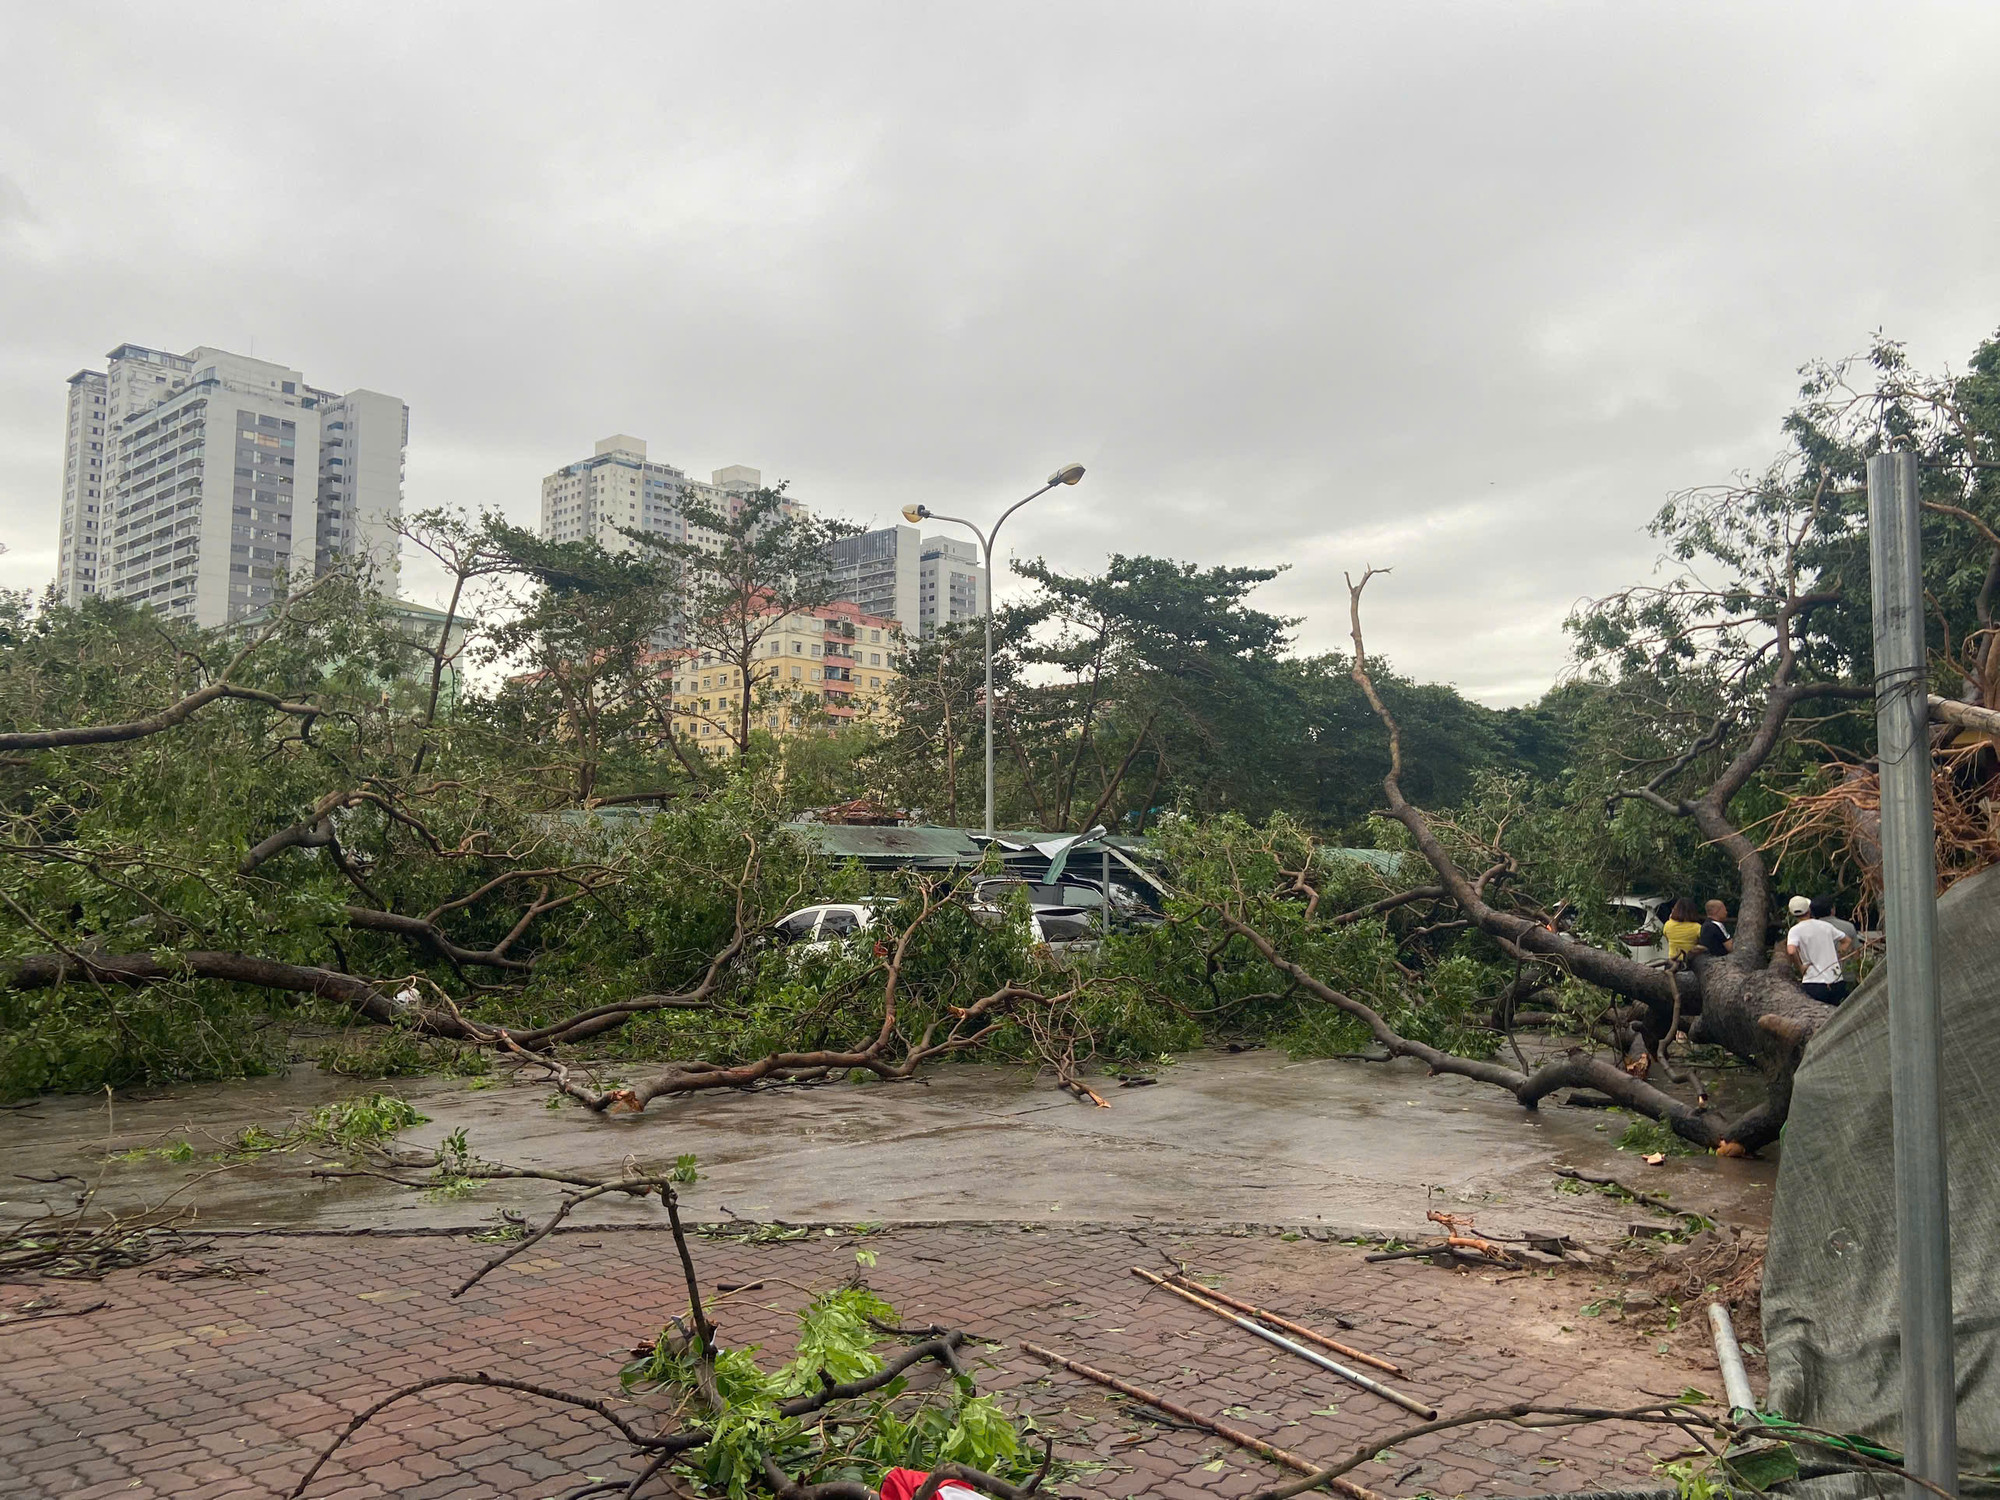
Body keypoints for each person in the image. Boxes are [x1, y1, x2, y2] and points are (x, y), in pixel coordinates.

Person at [1787, 894, 1855, 1004]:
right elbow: (1847, 941)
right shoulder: (1825, 926)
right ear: (1809, 910)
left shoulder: (1795, 931)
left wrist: (1800, 967)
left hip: (1813, 982)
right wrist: (1838, 956)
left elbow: (1791, 951)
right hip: (1836, 979)